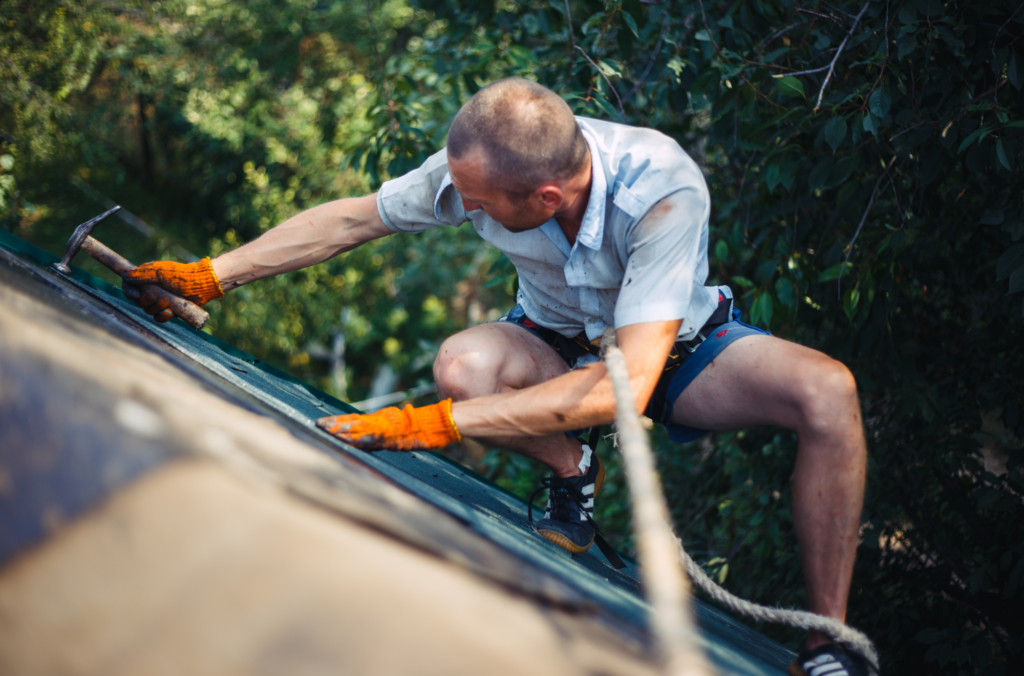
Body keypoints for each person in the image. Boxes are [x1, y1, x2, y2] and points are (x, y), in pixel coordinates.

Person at [123, 78, 869, 676]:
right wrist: (210, 276)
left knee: (826, 390)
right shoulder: (478, 165)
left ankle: (827, 642)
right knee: (462, 365)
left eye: (478, 203)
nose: (463, 206)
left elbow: (630, 382)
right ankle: (574, 472)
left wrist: (431, 427)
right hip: (547, 342)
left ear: (546, 198)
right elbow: (355, 220)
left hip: (671, 355)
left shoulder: (663, 189)